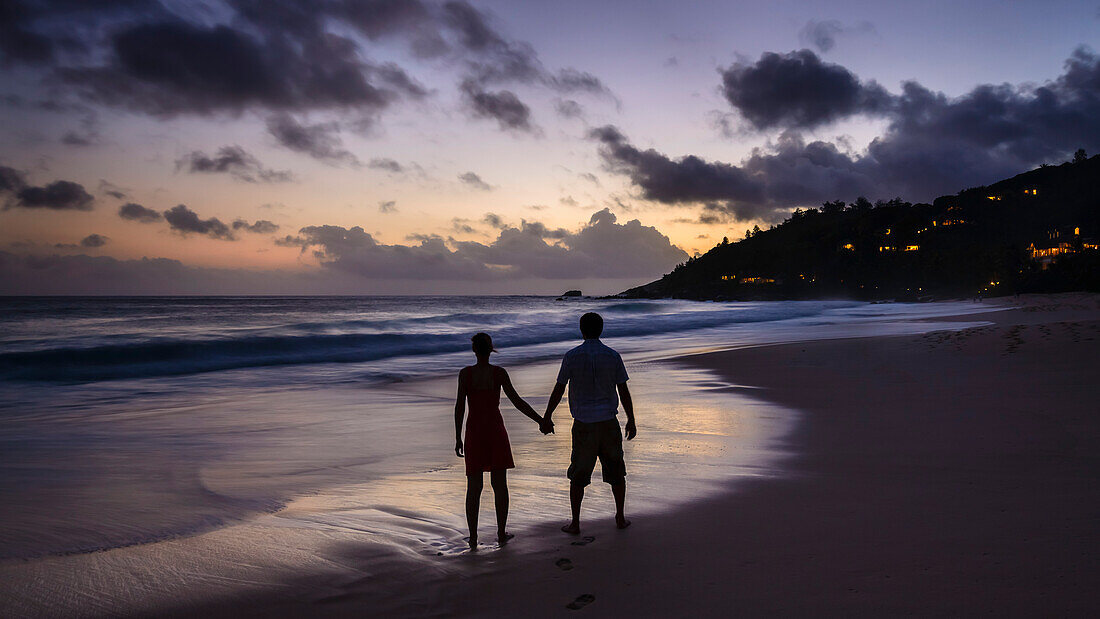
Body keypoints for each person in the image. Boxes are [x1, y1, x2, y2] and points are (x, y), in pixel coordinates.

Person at [454, 332, 551, 550]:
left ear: (473, 350)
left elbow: (460, 407)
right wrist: (540, 420)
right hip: (495, 431)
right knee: (500, 486)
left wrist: (457, 436)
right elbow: (517, 401)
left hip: (474, 433)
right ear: (491, 349)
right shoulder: (498, 373)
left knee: (474, 487)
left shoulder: (465, 374)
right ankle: (500, 532)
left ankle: (472, 537)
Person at [544, 312, 636, 534]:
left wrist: (548, 415)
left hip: (584, 423)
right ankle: (620, 517)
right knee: (616, 471)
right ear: (601, 330)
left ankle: (575, 523)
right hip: (608, 422)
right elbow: (623, 390)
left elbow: (560, 387)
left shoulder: (572, 356)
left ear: (581, 330)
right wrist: (631, 419)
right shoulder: (612, 356)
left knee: (578, 474)